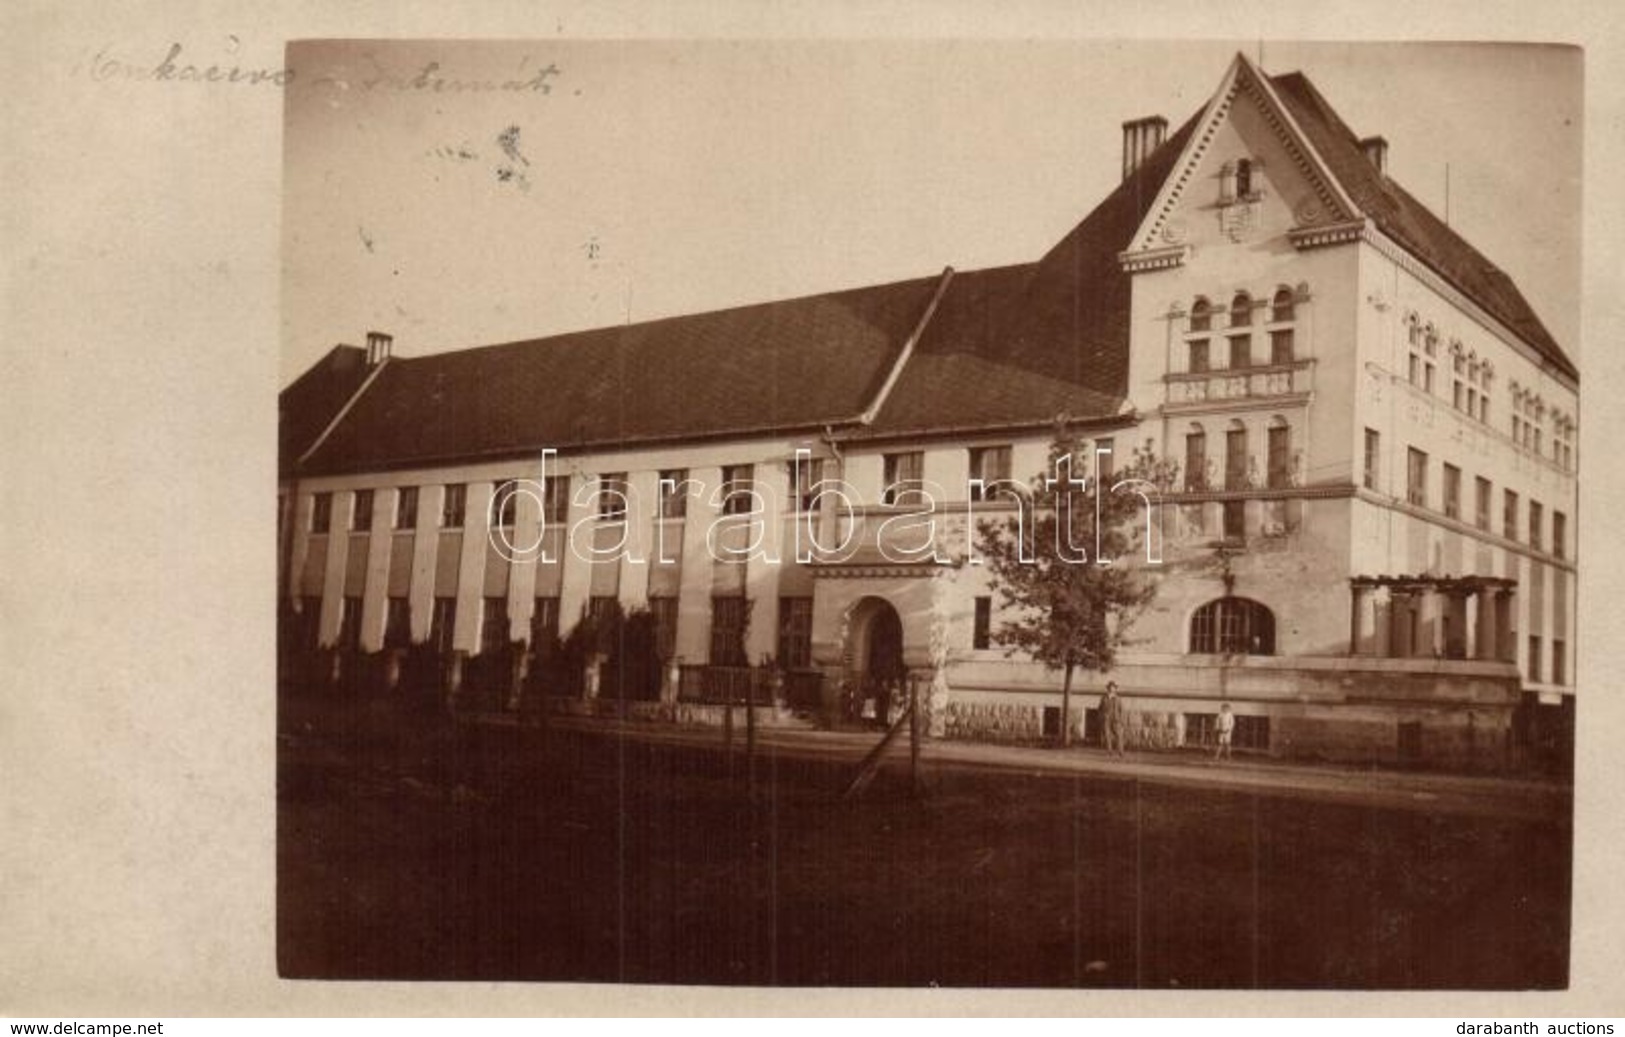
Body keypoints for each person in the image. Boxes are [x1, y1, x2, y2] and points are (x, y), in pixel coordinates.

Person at [1100, 681, 1126, 756]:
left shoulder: (1118, 699)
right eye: (1110, 687)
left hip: (1116, 719)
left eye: (1113, 687)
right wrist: (1103, 716)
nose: (1112, 689)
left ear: (1115, 689)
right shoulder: (1104, 698)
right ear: (1108, 688)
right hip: (1107, 719)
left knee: (1119, 735)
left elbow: (1122, 710)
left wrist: (1121, 720)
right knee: (1107, 736)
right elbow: (1100, 708)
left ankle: (1121, 752)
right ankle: (1109, 752)